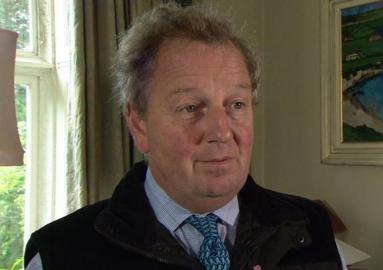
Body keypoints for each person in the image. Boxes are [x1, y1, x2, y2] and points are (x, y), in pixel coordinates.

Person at [24, 3, 345, 270]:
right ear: (138, 123)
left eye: (235, 104)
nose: (221, 132)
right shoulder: (60, 255)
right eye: (190, 107)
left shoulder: (309, 228)